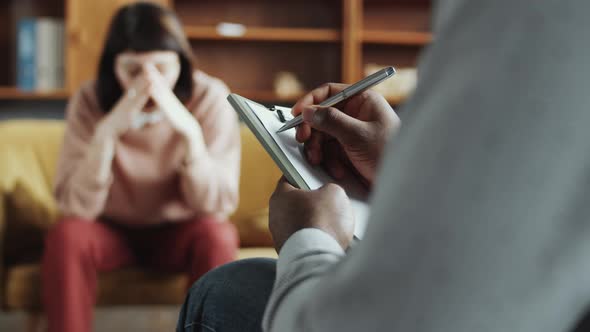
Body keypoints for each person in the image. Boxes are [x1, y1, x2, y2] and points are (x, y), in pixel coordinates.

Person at [177, 0, 590, 331]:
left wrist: (306, 239)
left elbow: (397, 317)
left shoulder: (526, 17)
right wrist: (398, 168)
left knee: (226, 291)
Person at [42, 3, 241, 332]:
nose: (149, 83)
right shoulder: (89, 100)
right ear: (113, 67)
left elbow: (216, 206)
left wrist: (190, 134)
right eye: (133, 70)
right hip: (110, 231)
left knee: (218, 234)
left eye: (161, 68)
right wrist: (107, 132)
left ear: (181, 63)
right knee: (67, 235)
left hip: (180, 232)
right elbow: (75, 207)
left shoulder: (210, 96)